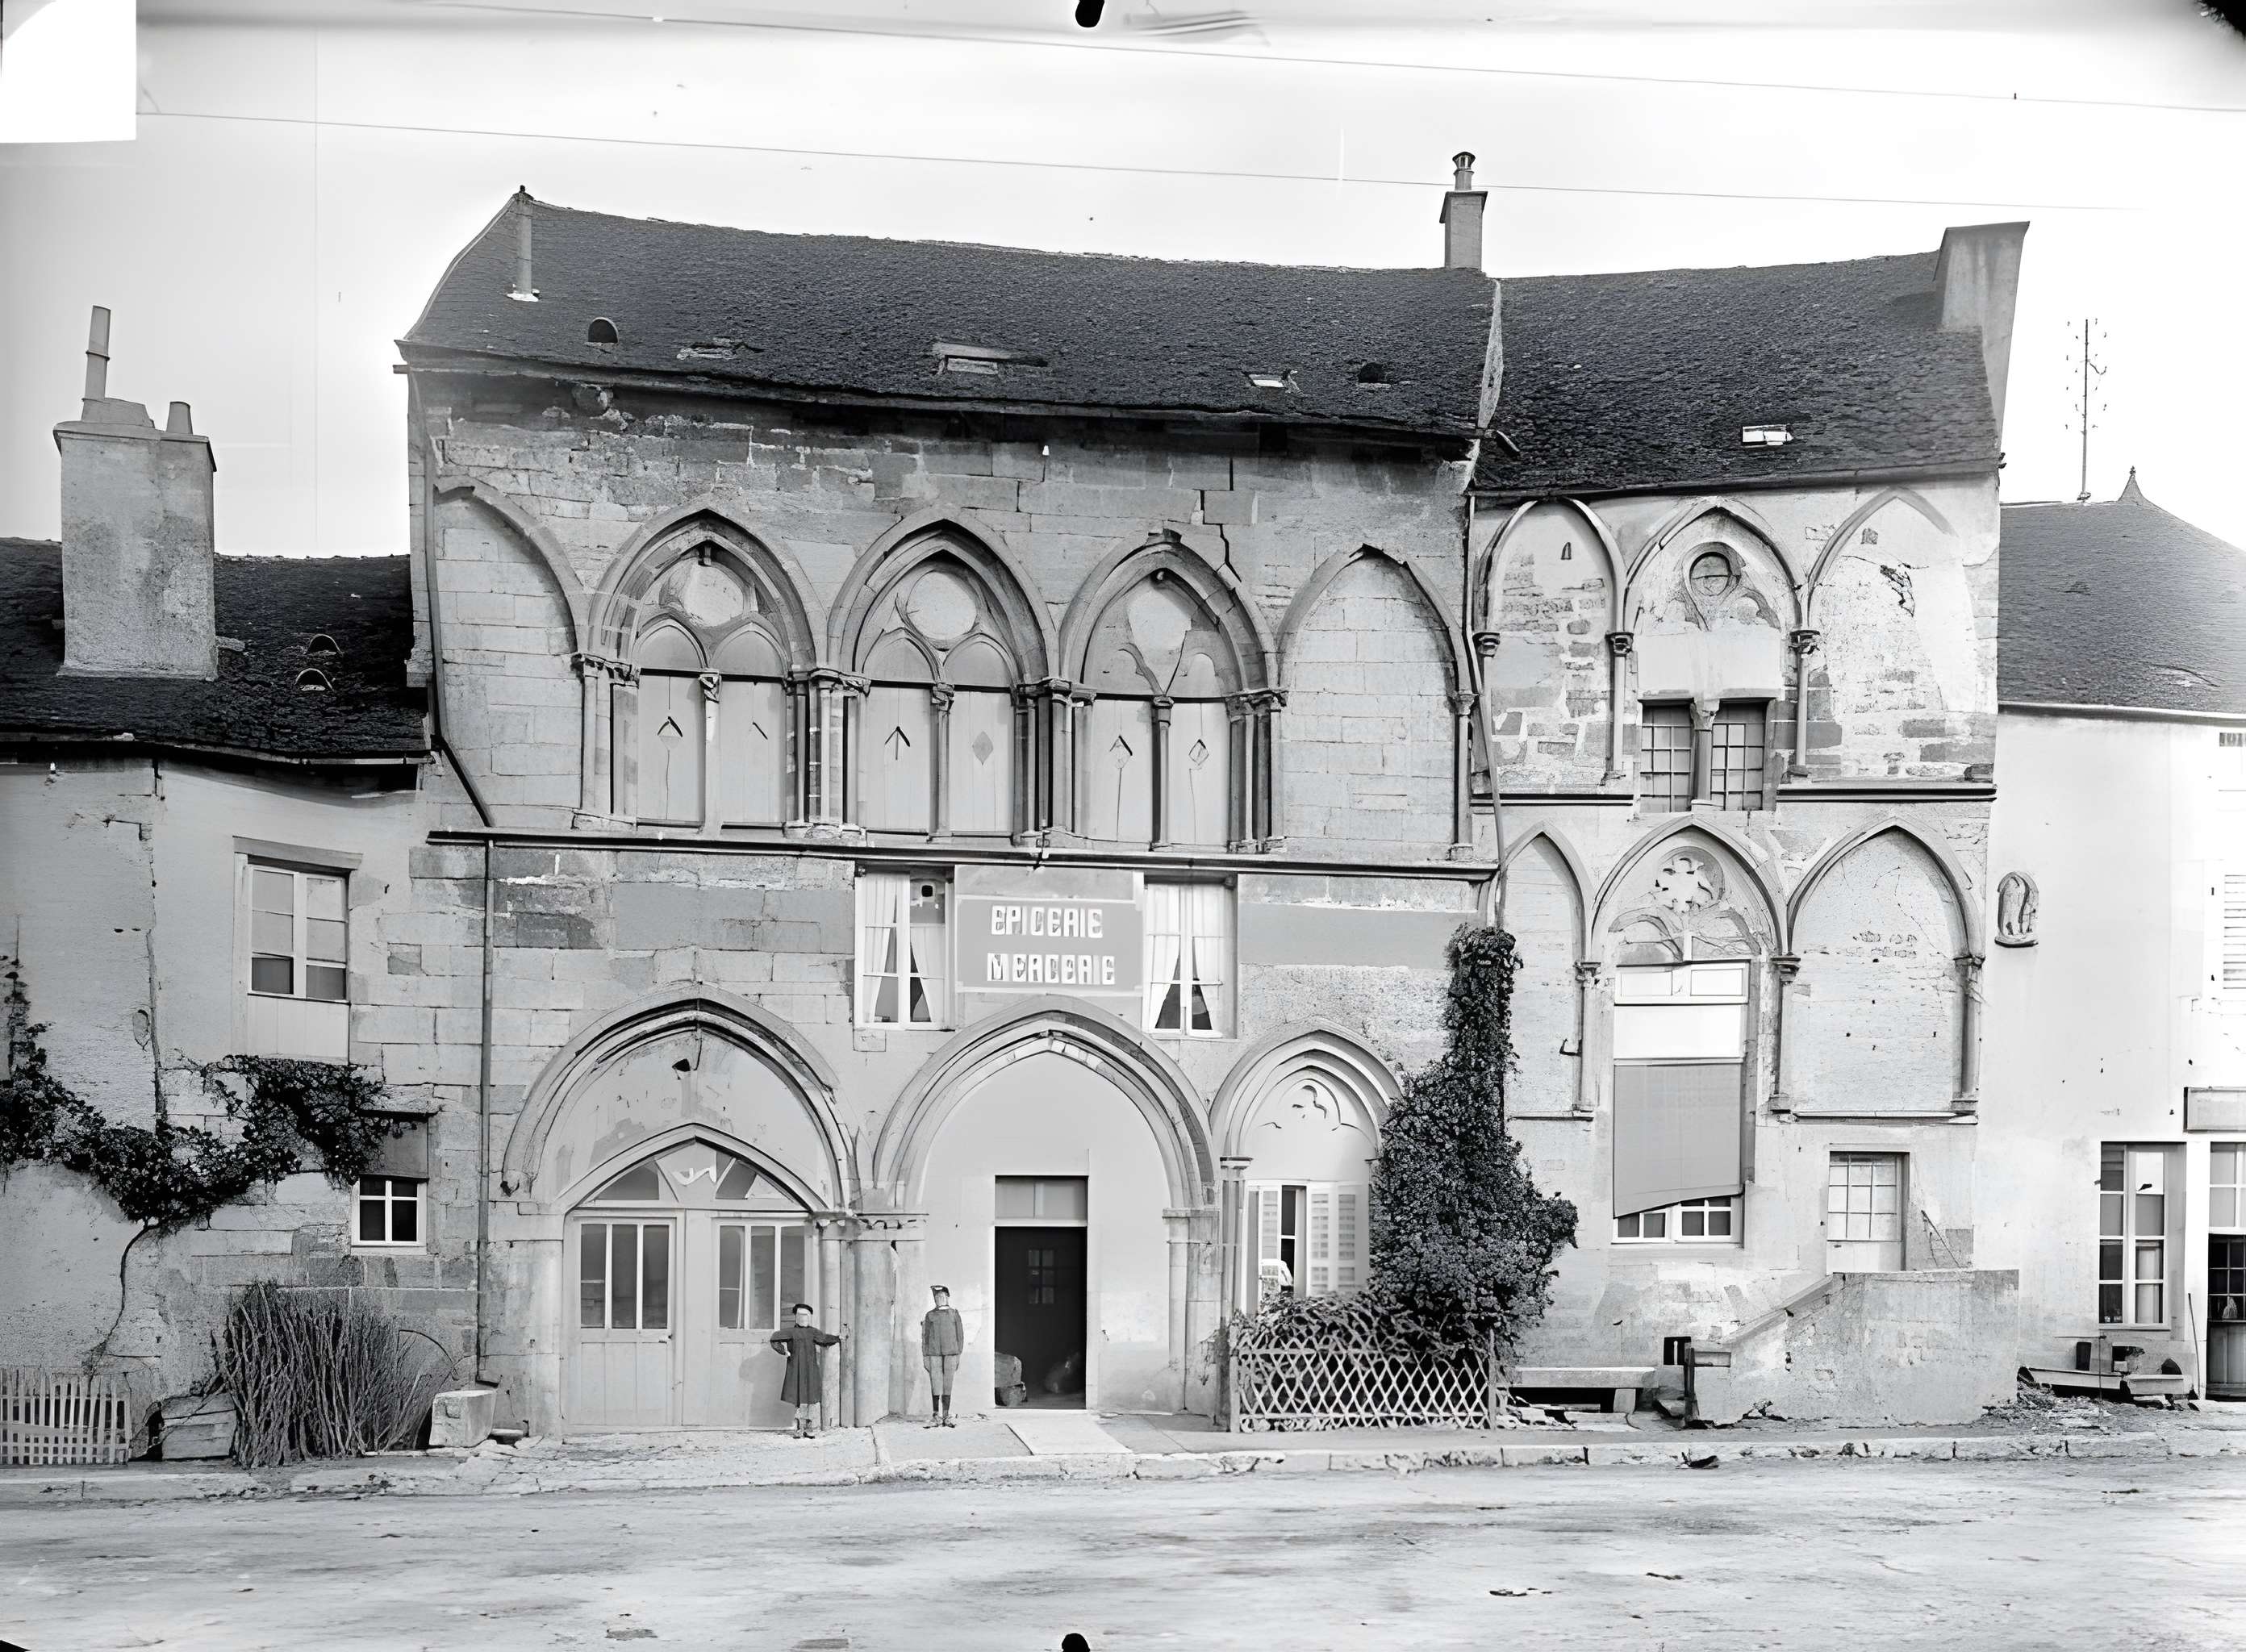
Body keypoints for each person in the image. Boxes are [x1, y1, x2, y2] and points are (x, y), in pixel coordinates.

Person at [768, 1303, 844, 1438]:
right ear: (796, 1317)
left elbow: (824, 1339)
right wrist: (784, 1351)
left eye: (806, 1315)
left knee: (810, 1398)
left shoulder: (813, 1332)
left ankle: (808, 1428)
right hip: (795, 1369)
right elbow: (774, 1339)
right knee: (797, 1398)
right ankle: (798, 1428)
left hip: (810, 1369)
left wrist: (838, 1338)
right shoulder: (790, 1332)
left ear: (809, 1317)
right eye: (800, 1315)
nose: (803, 1318)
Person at [921, 1284, 965, 1429]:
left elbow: (960, 1335)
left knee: (948, 1385)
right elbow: (925, 1336)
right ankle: (936, 1416)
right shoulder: (930, 1315)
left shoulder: (954, 1314)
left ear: (948, 1297)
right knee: (935, 1384)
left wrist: (958, 1353)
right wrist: (925, 1356)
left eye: (942, 1296)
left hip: (951, 1353)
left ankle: (946, 1416)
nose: (940, 1299)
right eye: (937, 1297)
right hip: (934, 1353)